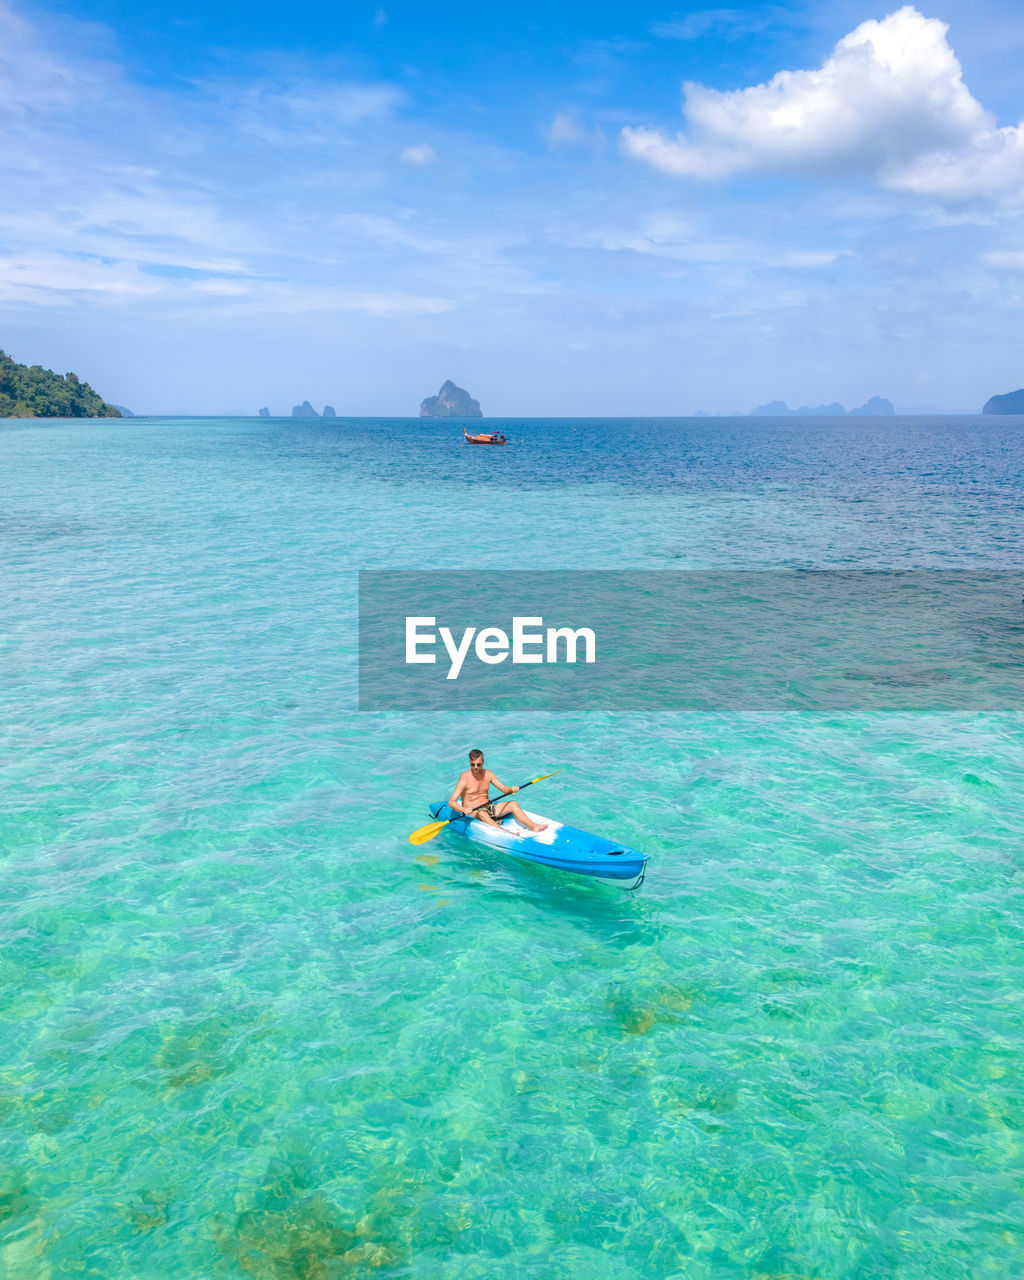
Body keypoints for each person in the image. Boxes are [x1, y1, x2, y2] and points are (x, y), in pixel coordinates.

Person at [448, 750, 547, 833]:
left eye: (478, 764)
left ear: (483, 762)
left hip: (488, 807)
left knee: (513, 804)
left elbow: (504, 789)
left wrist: (511, 789)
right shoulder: (464, 778)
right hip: (474, 811)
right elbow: (451, 802)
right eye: (472, 765)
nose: (476, 767)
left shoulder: (488, 774)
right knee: (482, 814)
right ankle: (504, 832)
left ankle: (534, 826)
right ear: (469, 762)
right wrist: (463, 810)